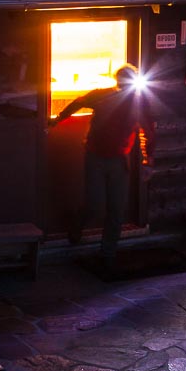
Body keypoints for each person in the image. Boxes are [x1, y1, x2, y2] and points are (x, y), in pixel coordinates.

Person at [51, 64, 156, 269]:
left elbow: (149, 133)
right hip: (96, 157)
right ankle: (77, 225)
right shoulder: (102, 96)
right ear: (118, 82)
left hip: (119, 161)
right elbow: (78, 102)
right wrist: (57, 120)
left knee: (116, 210)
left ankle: (108, 254)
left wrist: (147, 161)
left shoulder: (140, 104)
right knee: (95, 205)